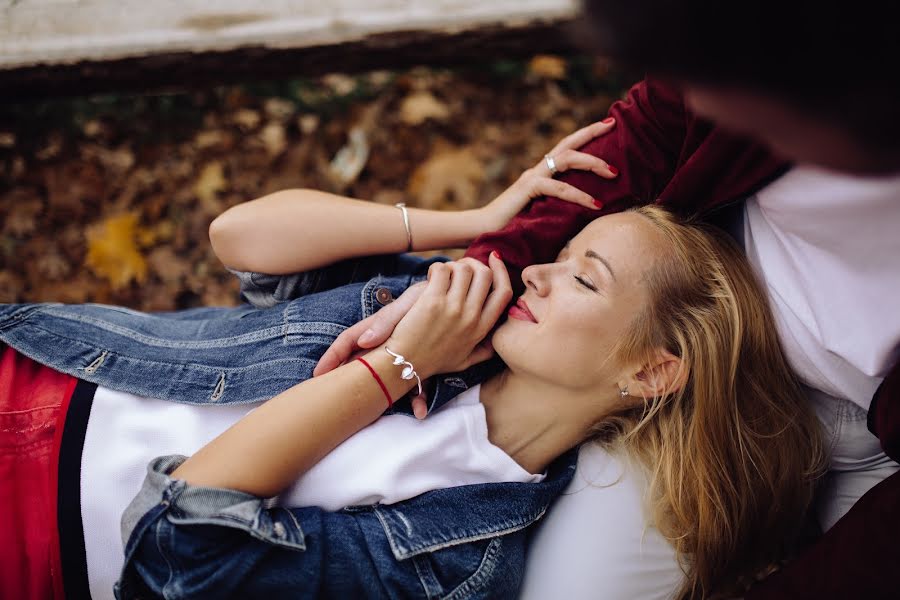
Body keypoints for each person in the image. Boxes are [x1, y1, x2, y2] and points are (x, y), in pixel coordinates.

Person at [0, 129, 823, 599]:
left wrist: (394, 367)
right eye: (562, 251)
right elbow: (241, 239)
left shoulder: (461, 564)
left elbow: (177, 540)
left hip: (34, 534)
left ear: (650, 372)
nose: (537, 269)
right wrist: (476, 218)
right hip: (44, 370)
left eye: (583, 275)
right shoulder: (455, 322)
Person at [314, 3, 900, 597]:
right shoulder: (747, 62)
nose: (700, 108)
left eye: (731, 95)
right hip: (668, 339)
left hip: (843, 424)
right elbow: (647, 133)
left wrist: (390, 371)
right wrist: (482, 264)